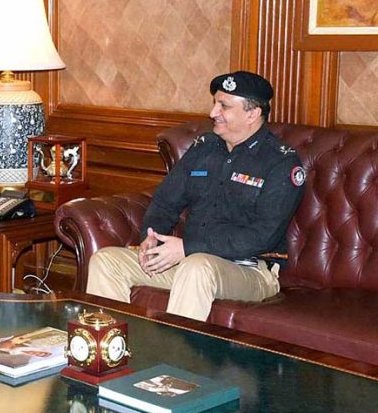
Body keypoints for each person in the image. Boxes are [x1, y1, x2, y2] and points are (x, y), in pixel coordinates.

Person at [87, 71, 306, 322]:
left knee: (197, 267)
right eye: (215, 103)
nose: (213, 113)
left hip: (250, 270)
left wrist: (188, 248)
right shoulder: (204, 148)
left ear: (252, 113)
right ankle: (108, 352)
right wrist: (151, 235)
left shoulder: (280, 162)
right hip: (191, 260)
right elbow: (165, 202)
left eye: (223, 106)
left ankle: (172, 361)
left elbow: (260, 237)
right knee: (106, 261)